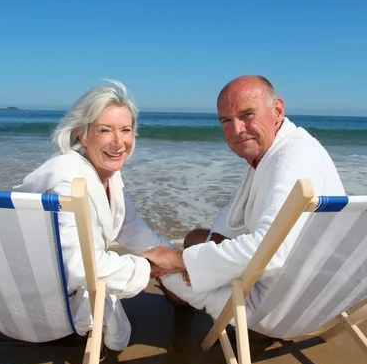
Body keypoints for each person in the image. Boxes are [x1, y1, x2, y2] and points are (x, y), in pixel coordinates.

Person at [141, 75, 345, 325]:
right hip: (324, 293)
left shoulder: (293, 158)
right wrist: (199, 256)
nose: (236, 130)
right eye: (226, 120)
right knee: (195, 239)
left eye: (247, 114)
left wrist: (179, 261)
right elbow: (240, 222)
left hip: (275, 308)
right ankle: (183, 290)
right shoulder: (279, 150)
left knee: (161, 267)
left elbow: (273, 250)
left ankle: (178, 305)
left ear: (277, 110)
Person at [14, 80, 174, 351]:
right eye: (104, 130)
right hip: (40, 307)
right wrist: (147, 268)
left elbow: (127, 224)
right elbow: (76, 266)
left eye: (126, 130)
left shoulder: (104, 172)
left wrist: (172, 256)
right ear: (82, 134)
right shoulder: (66, 183)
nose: (118, 142)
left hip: (24, 290)